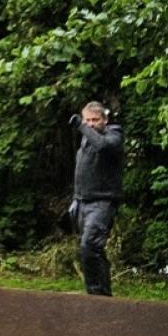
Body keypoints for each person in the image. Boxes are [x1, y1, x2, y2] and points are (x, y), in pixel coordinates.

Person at [69, 101, 124, 296]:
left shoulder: (114, 134)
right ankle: (101, 295)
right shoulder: (85, 141)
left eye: (95, 120)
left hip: (104, 201)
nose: (90, 124)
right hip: (84, 201)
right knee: (92, 251)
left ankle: (97, 294)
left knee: (90, 244)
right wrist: (76, 198)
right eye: (87, 120)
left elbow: (102, 146)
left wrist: (82, 126)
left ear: (105, 120)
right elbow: (80, 170)